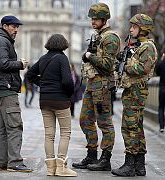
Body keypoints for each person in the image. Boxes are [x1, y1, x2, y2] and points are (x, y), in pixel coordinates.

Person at [72, 2, 120, 171]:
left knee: (104, 122)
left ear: (104, 19)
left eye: (95, 19)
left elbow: (107, 64)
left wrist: (89, 56)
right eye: (92, 18)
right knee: (85, 120)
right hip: (92, 84)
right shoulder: (98, 36)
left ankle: (105, 159)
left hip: (103, 85)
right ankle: (91, 155)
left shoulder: (111, 38)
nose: (92, 21)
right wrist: (88, 56)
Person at [111, 14, 158, 177]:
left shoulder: (147, 47)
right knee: (136, 127)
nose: (131, 29)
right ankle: (139, 165)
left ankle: (130, 164)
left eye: (134, 27)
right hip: (133, 90)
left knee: (130, 127)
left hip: (137, 90)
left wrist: (127, 62)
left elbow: (142, 69)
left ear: (144, 29)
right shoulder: (139, 46)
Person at [27, 34, 77, 177]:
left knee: (49, 134)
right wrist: (69, 94)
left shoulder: (43, 59)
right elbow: (67, 81)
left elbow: (29, 75)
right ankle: (61, 167)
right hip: (60, 100)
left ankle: (50, 168)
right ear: (63, 45)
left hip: (45, 100)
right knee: (65, 132)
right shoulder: (62, 58)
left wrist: (43, 84)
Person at [0, 15, 32, 172]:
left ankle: (0, 162)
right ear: (5, 26)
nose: (16, 29)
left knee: (2, 128)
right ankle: (15, 162)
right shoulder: (1, 41)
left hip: (1, 90)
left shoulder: (0, 40)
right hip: (6, 89)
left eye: (17, 27)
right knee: (14, 127)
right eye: (14, 26)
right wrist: (20, 64)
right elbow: (3, 64)